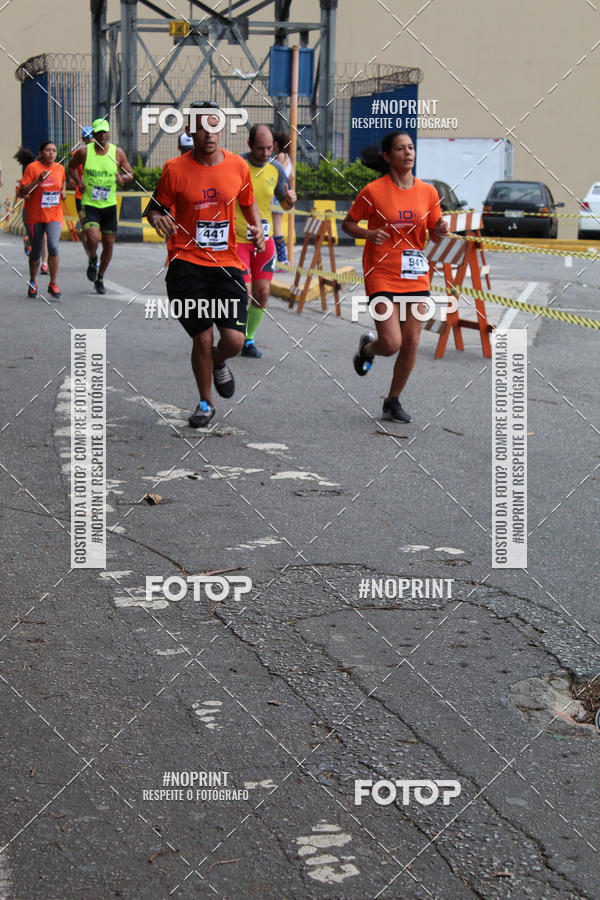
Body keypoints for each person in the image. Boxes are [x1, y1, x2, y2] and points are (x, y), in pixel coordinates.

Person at [145, 100, 265, 429]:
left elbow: (248, 204)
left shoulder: (237, 166)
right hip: (186, 261)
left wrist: (256, 229)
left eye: (215, 126)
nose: (209, 134)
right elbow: (154, 208)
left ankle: (218, 363)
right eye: (202, 127)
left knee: (235, 341)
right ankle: (205, 402)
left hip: (227, 263)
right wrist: (158, 220)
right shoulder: (174, 169)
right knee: (202, 337)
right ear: (189, 131)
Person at [342, 131, 450, 423]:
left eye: (411, 147)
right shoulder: (374, 191)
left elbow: (433, 233)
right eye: (401, 149)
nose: (408, 153)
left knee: (412, 342)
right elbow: (348, 224)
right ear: (388, 157)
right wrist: (368, 233)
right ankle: (368, 348)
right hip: (382, 273)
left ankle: (392, 400)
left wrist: (440, 232)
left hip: (415, 274)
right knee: (391, 343)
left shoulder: (428, 192)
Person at [234, 124, 296, 358]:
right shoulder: (237, 165)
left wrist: (290, 199)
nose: (266, 153)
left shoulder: (276, 169)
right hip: (238, 239)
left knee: (262, 292)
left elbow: (285, 203)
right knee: (243, 290)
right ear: (250, 145)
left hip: (264, 242)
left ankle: (248, 339)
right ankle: (234, 335)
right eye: (260, 148)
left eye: (270, 148)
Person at [68, 118, 133, 294]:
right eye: (99, 133)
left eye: (105, 132)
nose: (103, 136)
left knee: (109, 243)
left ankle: (100, 277)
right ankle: (92, 258)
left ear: (109, 133)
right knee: (93, 239)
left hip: (109, 205)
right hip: (90, 203)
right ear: (94, 134)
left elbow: (130, 173)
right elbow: (71, 167)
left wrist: (123, 178)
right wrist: (78, 182)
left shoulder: (117, 153)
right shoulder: (84, 152)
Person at [17, 140, 66, 299]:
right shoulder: (32, 168)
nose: (51, 153)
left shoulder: (60, 168)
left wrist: (63, 191)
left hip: (54, 215)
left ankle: (53, 283)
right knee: (36, 252)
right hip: (34, 216)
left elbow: (63, 181)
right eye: (48, 150)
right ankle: (33, 281)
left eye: (54, 150)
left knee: (53, 246)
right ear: (40, 152)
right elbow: (23, 191)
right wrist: (38, 180)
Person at [69, 125, 93, 257]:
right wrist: (74, 181)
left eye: (91, 138)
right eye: (87, 139)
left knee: (94, 227)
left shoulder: (102, 154)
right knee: (85, 226)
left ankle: (92, 251)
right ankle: (90, 255)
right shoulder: (78, 154)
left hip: (96, 197)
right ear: (83, 140)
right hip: (81, 195)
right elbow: (71, 169)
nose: (89, 141)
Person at [271, 130, 294, 266]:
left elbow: (274, 174)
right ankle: (282, 259)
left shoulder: (278, 157)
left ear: (276, 143)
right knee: (277, 228)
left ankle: (280, 260)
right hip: (283, 197)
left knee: (275, 229)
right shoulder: (288, 157)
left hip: (275, 196)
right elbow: (292, 176)